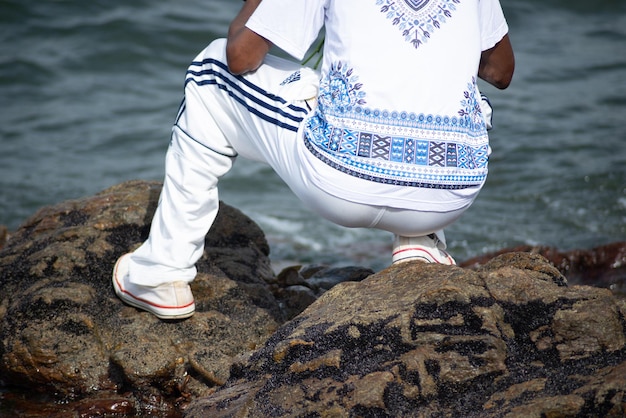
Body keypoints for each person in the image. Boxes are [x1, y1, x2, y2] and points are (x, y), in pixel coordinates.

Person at [112, 0, 515, 319]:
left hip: (341, 183)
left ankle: (161, 272)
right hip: (449, 197)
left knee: (211, 70)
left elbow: (242, 56)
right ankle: (420, 240)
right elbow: (500, 71)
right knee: (446, 95)